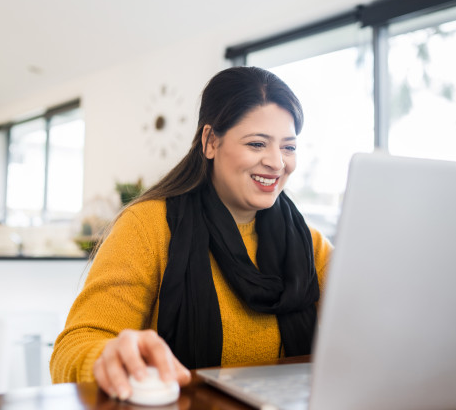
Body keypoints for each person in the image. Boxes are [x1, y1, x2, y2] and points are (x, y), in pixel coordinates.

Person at [50, 66, 333, 401]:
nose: (276, 162)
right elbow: (74, 346)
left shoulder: (309, 244)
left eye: (288, 147)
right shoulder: (148, 226)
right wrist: (106, 359)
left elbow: (368, 324)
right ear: (211, 141)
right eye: (257, 144)